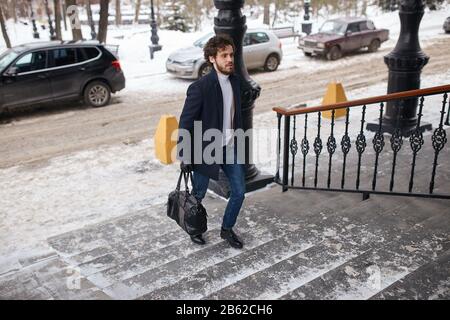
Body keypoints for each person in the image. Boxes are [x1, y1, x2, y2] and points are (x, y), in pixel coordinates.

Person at [177, 34, 245, 249]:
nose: (229, 59)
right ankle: (195, 229)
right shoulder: (200, 88)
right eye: (224, 55)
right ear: (212, 58)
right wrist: (185, 154)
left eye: (231, 54)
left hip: (230, 147)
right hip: (205, 149)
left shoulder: (235, 81)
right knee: (198, 194)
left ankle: (227, 229)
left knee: (240, 192)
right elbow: (185, 122)